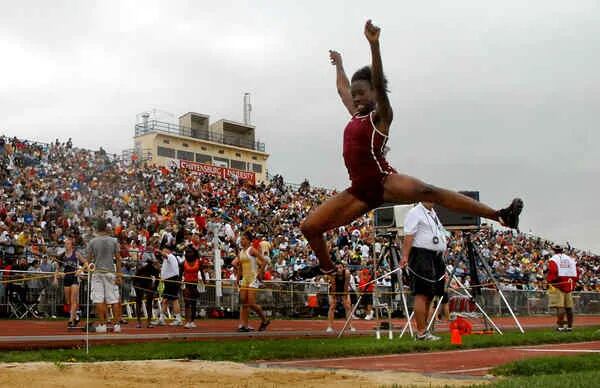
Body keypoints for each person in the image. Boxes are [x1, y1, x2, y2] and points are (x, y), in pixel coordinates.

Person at [299, 20, 523, 279]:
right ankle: (328, 269)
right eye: (355, 94)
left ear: (374, 92)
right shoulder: (355, 115)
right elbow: (341, 89)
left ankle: (499, 215)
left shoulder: (380, 116)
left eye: (361, 93)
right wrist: (339, 64)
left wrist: (374, 46)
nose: (356, 97)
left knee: (429, 191)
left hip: (384, 182)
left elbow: (381, 89)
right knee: (309, 227)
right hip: (359, 192)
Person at [402, 202, 448, 340]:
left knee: (430, 294)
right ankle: (421, 331)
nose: (433, 200)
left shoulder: (432, 213)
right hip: (421, 255)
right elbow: (409, 235)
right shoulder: (415, 212)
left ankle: (425, 330)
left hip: (435, 256)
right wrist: (405, 255)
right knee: (422, 293)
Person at [87, 218, 122, 333]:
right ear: (106, 228)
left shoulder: (92, 241)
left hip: (97, 273)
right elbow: (118, 259)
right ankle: (116, 325)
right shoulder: (114, 241)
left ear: (97, 228)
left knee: (99, 299)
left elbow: (89, 261)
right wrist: (119, 275)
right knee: (114, 299)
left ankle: (102, 325)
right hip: (111, 273)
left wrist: (84, 265)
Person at [235, 230, 270, 332]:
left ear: (249, 241)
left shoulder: (252, 250)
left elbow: (264, 261)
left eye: (244, 239)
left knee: (251, 302)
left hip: (253, 278)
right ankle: (245, 325)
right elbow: (240, 267)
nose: (242, 241)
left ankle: (264, 319)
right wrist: (238, 278)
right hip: (245, 279)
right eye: (241, 239)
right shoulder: (240, 252)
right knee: (243, 302)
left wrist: (260, 273)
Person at [547, 244, 578, 332]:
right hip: (568, 284)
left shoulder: (553, 259)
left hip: (558, 284)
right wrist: (573, 281)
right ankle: (570, 327)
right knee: (569, 307)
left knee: (560, 306)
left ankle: (560, 327)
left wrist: (550, 280)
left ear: (554, 250)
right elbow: (576, 271)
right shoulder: (570, 259)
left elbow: (553, 271)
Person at [154, 247, 183, 326]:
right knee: (165, 300)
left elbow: (164, 255)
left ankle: (178, 319)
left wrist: (159, 251)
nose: (163, 252)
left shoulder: (170, 256)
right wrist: (157, 266)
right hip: (168, 281)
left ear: (168, 251)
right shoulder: (166, 260)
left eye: (164, 250)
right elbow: (164, 270)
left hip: (172, 280)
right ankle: (161, 319)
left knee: (174, 299)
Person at [133, 249, 161, 328]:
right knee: (139, 302)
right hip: (139, 283)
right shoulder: (141, 264)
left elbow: (157, 278)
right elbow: (135, 276)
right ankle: (139, 322)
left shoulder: (153, 267)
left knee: (149, 302)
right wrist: (135, 286)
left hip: (148, 284)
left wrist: (154, 288)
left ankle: (148, 322)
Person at [61, 237, 85, 328]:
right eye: (65, 244)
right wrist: (59, 274)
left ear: (71, 245)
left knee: (73, 299)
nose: (66, 245)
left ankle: (71, 319)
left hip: (74, 278)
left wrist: (80, 270)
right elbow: (58, 268)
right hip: (67, 277)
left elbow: (86, 263)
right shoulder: (62, 256)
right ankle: (76, 315)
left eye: (68, 244)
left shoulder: (76, 254)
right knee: (67, 301)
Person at [326, 261, 355, 333]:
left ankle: (350, 326)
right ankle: (330, 326)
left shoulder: (347, 273)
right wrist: (335, 297)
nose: (338, 269)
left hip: (343, 288)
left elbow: (346, 286)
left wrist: (344, 297)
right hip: (333, 289)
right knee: (332, 306)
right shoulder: (332, 274)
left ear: (343, 268)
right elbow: (333, 286)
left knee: (348, 306)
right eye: (337, 268)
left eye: (340, 268)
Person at [182, 245, 204, 329]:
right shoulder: (184, 262)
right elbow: (180, 274)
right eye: (187, 252)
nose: (187, 254)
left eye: (189, 252)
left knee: (193, 303)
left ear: (194, 253)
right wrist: (179, 281)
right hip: (187, 284)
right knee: (187, 303)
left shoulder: (198, 262)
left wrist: (204, 281)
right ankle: (187, 321)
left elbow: (201, 272)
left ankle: (192, 321)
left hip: (195, 284)